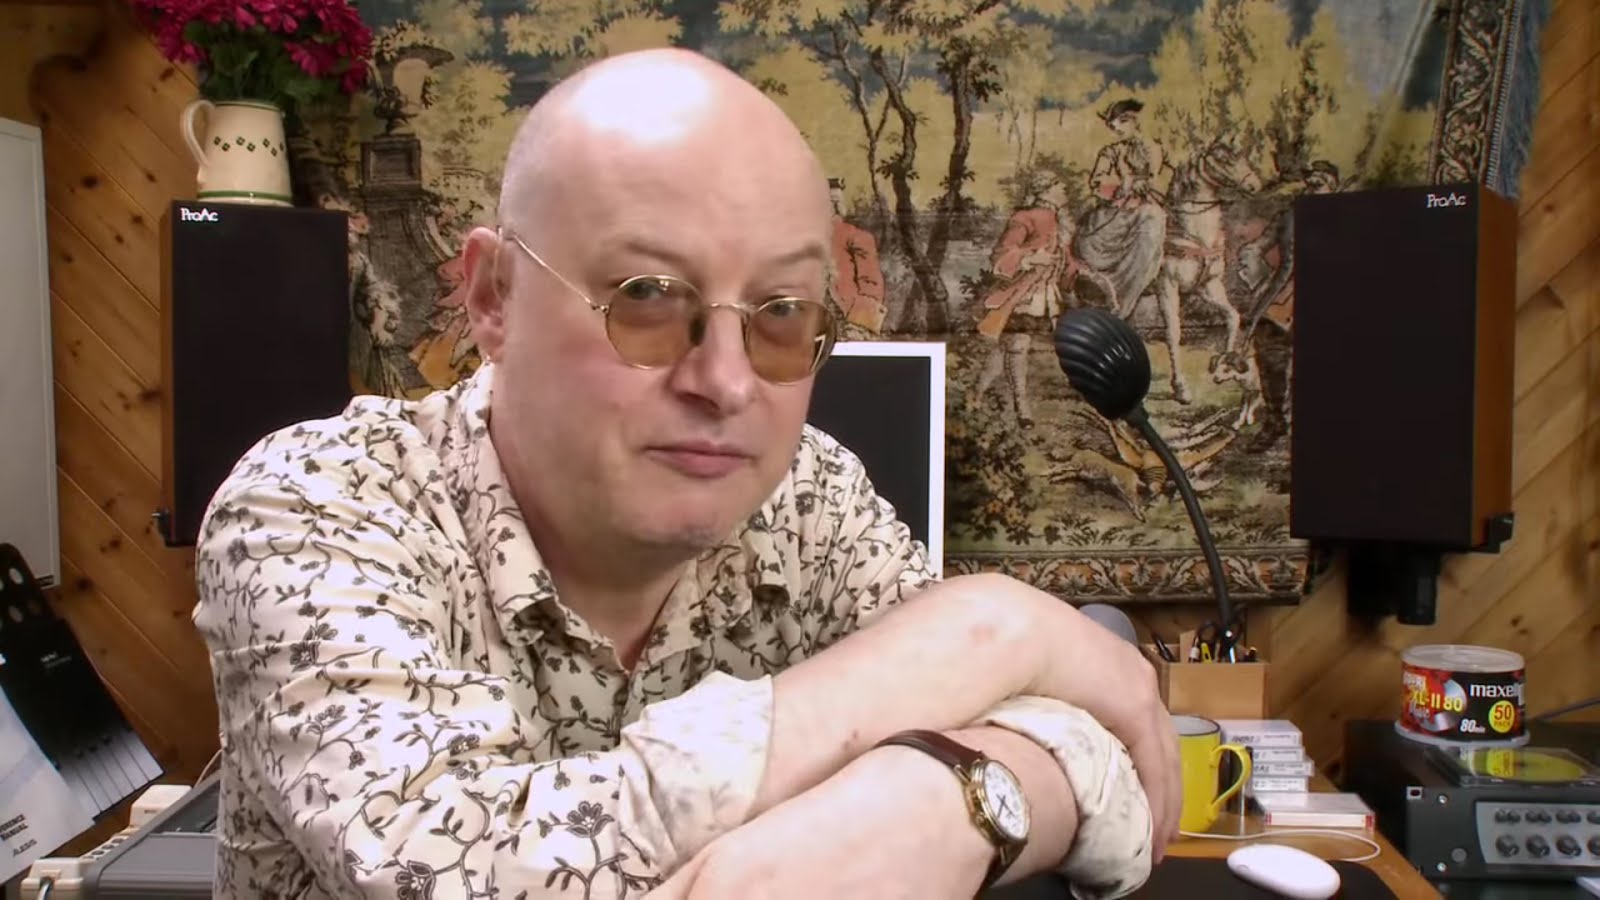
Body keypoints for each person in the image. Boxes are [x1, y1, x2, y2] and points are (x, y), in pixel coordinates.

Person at [192, 48, 1179, 900]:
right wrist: (990, 630)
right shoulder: (315, 505)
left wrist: (945, 804)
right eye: (648, 296)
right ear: (494, 296)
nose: (727, 382)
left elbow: (1121, 778)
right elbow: (468, 871)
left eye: (782, 313)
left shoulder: (810, 499)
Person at [975, 173, 1076, 429]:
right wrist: (1029, 258)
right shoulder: (1025, 217)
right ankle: (1022, 407)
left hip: (1047, 295)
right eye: (1060, 185)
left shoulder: (1062, 222)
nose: (1065, 190)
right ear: (1046, 190)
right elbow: (1001, 253)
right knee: (1018, 345)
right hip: (1022, 294)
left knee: (1004, 349)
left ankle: (976, 393)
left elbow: (1067, 262)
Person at [1072, 99, 1168, 317]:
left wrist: (1154, 185)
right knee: (1149, 218)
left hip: (1151, 207)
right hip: (1118, 211)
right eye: (1113, 128)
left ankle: (1133, 295)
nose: (1116, 132)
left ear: (1133, 121)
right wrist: (1127, 184)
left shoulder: (1157, 149)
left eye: (1119, 126)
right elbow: (1097, 182)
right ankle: (1110, 297)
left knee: (1156, 218)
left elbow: (1169, 178)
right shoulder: (1111, 152)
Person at [827, 177, 888, 333]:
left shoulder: (856, 236)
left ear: (834, 204)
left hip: (847, 319)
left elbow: (871, 284)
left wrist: (860, 323)